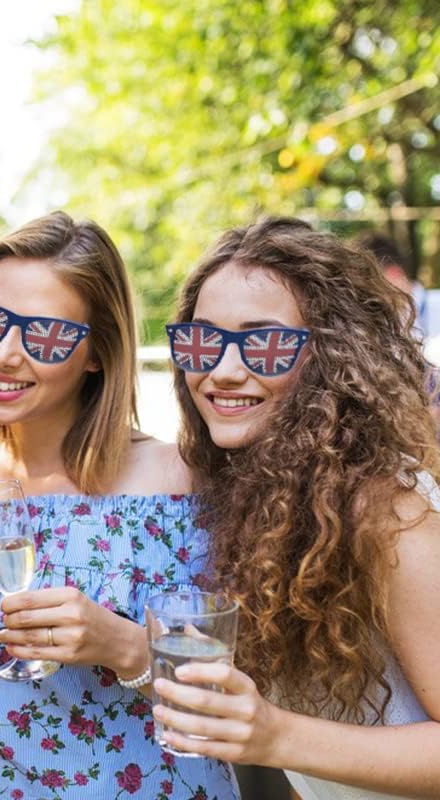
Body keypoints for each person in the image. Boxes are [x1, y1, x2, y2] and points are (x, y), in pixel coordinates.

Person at [0, 211, 239, 800]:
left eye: (43, 334)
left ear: (96, 353)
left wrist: (120, 646)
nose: (3, 353)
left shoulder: (183, 481)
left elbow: (252, 697)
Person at [154, 216, 440, 799]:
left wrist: (274, 735)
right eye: (204, 340)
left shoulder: (388, 511)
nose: (223, 370)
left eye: (264, 344)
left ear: (331, 358)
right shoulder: (266, 495)